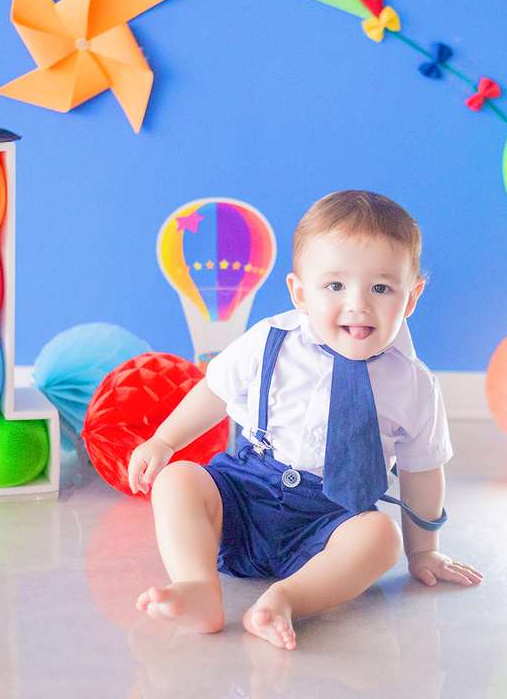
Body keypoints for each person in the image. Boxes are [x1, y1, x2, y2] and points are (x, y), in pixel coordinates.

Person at [128, 190, 481, 650]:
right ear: (300, 293)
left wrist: (424, 550)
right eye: (335, 286)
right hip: (245, 497)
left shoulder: (413, 385)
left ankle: (287, 599)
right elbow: (214, 389)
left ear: (410, 297)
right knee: (178, 481)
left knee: (380, 536)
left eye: (381, 287)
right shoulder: (270, 340)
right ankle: (198, 587)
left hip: (330, 519)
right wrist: (164, 440)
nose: (358, 304)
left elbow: (423, 471)